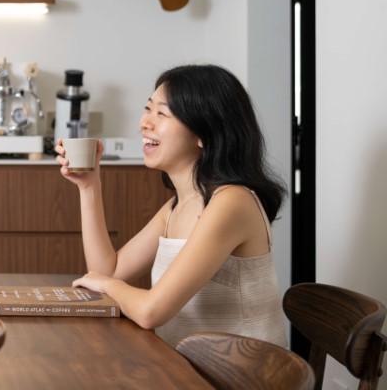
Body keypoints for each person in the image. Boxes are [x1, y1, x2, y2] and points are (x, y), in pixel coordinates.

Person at [56, 64, 287, 347]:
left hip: (242, 378)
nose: (144, 122)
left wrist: (106, 285)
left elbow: (149, 311)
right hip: (188, 370)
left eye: (162, 113)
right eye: (148, 108)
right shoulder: (178, 205)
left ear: (205, 133)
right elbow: (109, 271)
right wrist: (89, 186)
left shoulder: (232, 202)